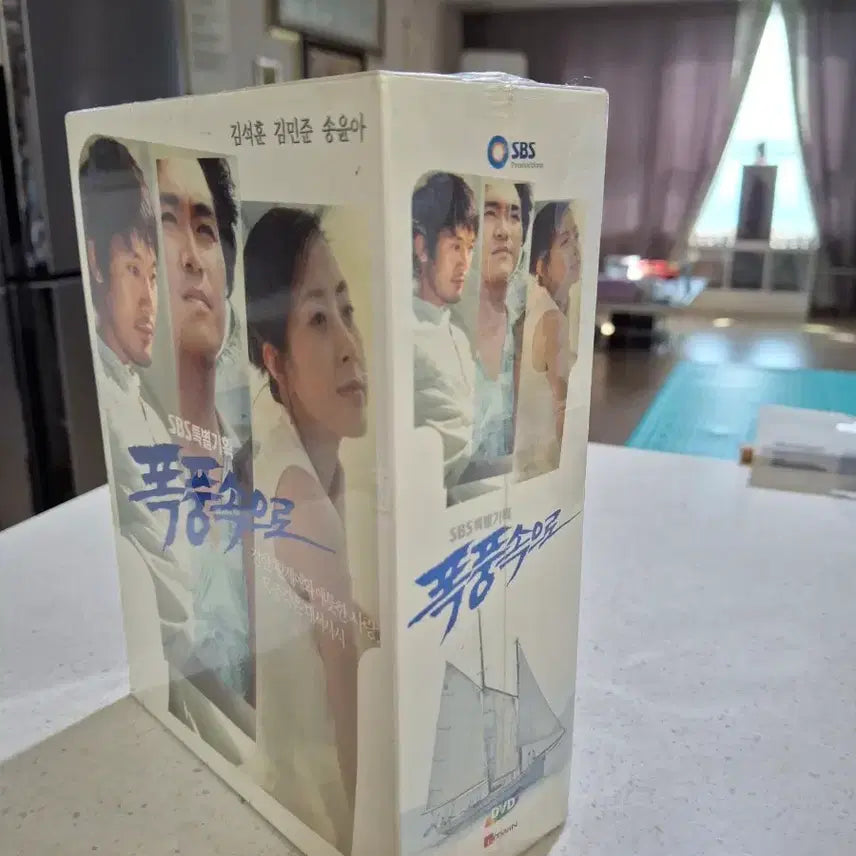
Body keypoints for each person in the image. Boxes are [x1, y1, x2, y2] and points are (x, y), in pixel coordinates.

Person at [243, 206, 370, 854]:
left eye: (347, 310)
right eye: (319, 319)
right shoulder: (304, 503)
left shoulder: (289, 463)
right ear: (277, 361)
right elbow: (356, 760)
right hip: (311, 822)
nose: (350, 344)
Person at [79, 137, 194, 676]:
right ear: (96, 263)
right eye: (132, 270)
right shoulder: (105, 408)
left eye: (153, 276)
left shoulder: (140, 399)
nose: (150, 301)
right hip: (166, 670)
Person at [156, 156, 251, 701]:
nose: (192, 257)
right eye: (169, 222)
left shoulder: (258, 465)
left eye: (206, 229)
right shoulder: (143, 473)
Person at [411, 173, 479, 498]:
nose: (465, 263)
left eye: (470, 247)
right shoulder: (404, 334)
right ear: (422, 247)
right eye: (455, 246)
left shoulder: (459, 337)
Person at [467, 180, 532, 479]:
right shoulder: (442, 334)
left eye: (514, 216)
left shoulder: (528, 330)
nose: (504, 231)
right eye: (490, 213)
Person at [515, 202, 581, 481]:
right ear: (541, 265)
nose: (576, 249)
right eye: (565, 241)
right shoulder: (551, 320)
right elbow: (563, 412)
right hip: (541, 471)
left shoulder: (539, 307)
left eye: (577, 236)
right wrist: (570, 477)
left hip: (526, 465)